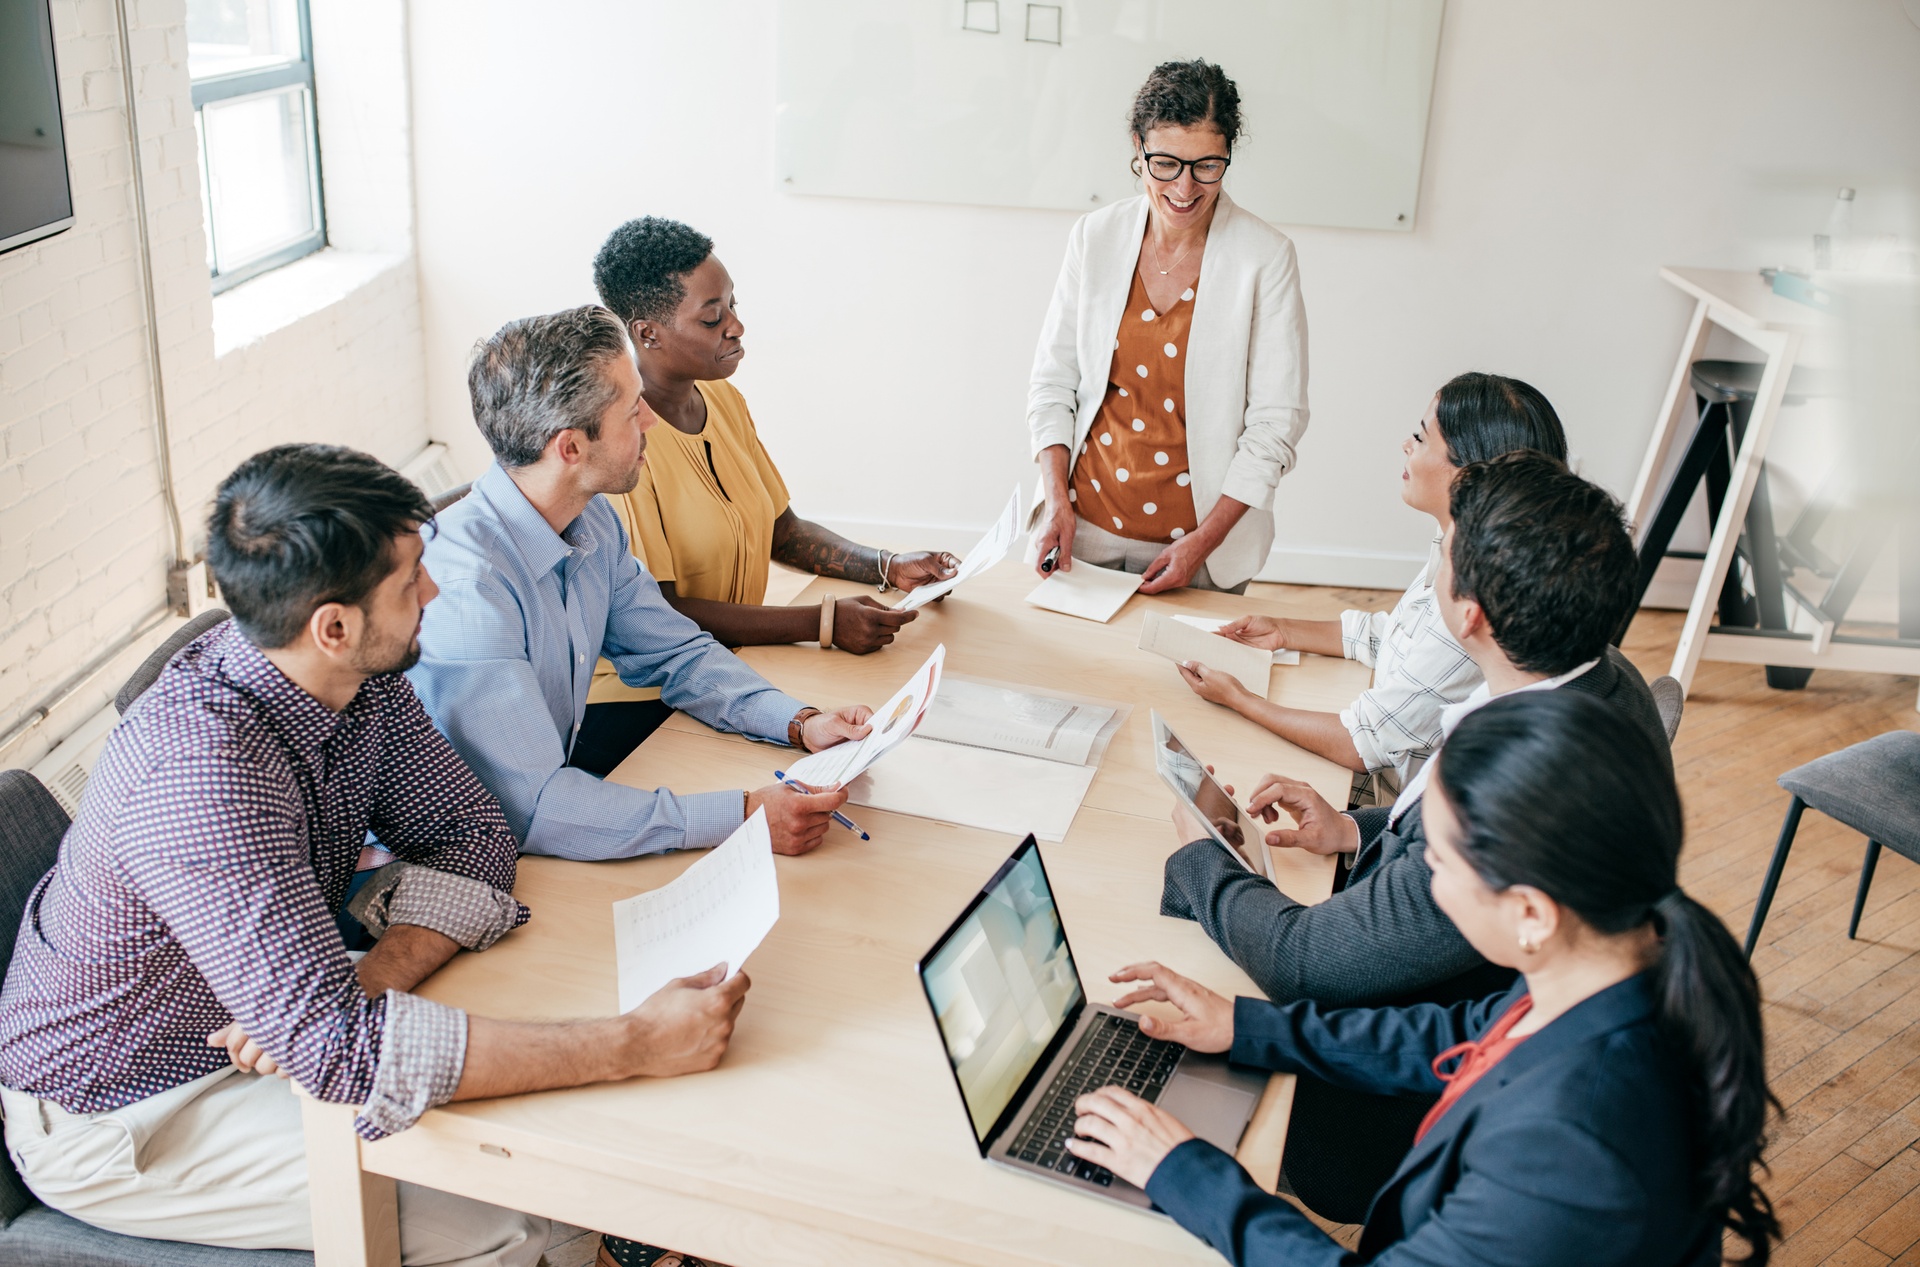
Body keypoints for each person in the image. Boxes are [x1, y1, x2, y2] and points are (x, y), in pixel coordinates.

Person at [0, 446, 752, 1262]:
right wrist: (634, 1042)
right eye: (410, 581)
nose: (433, 591)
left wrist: (370, 978)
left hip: (284, 1025)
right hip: (131, 1106)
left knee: (552, 1116)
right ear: (334, 623)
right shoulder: (203, 777)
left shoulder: (354, 673)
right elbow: (341, 1054)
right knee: (515, 1211)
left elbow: (472, 834)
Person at [1070, 692, 1780, 1267]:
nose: (1423, 881)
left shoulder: (1571, 1146)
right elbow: (1461, 1032)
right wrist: (1247, 1025)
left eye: (1435, 862)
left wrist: (1182, 1168)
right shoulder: (1611, 953)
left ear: (1530, 910)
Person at [1161, 451, 1662, 1219]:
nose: (1435, 557)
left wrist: (1202, 854)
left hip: (1384, 1119)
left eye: (1445, 546)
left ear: (1472, 616)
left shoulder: (1515, 811)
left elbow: (1306, 962)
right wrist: (1359, 831)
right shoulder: (1604, 677)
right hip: (1458, 1026)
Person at [410, 306, 873, 859]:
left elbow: (676, 651)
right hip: (458, 858)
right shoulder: (471, 590)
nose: (650, 421)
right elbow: (531, 807)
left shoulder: (591, 519)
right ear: (571, 448)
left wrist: (800, 722)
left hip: (535, 822)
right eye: (633, 411)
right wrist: (742, 815)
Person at [590, 214, 957, 679]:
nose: (737, 326)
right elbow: (657, 610)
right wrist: (822, 622)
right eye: (711, 317)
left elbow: (782, 532)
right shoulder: (621, 443)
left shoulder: (721, 398)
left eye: (732, 305)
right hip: (648, 694)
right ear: (648, 334)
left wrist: (888, 566)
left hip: (732, 667)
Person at [1178, 372, 1567, 805]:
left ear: (1469, 472)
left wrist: (1240, 699)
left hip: (1386, 802)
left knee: (1210, 770)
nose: (1406, 445)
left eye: (1421, 438)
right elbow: (1395, 638)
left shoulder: (1471, 604)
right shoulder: (1459, 546)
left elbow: (1364, 744)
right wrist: (1284, 631)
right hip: (1383, 772)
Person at [1026, 58, 1306, 596]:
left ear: (1228, 155)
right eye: (1166, 164)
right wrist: (1057, 503)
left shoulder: (1265, 258)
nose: (1185, 188)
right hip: (1083, 529)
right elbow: (1053, 382)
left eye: (1207, 165)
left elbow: (1275, 425)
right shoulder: (1096, 236)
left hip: (1200, 548)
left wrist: (1201, 545)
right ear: (1138, 147)